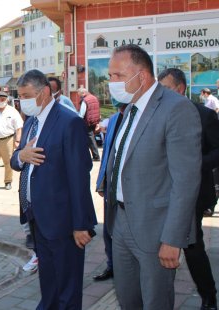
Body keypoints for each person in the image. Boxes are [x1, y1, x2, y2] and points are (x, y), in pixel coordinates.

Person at [105, 44, 201, 310]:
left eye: (118, 76)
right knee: (128, 299)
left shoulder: (176, 109)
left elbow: (186, 182)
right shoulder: (129, 109)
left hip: (156, 228)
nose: (111, 82)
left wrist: (173, 239)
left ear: (142, 76)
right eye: (110, 76)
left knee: (156, 301)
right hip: (121, 222)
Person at [11, 70, 97, 309]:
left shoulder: (68, 122)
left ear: (44, 92)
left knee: (67, 287)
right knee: (48, 282)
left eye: (26, 95)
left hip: (63, 221)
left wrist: (81, 224)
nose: (22, 102)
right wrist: (22, 156)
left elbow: (79, 176)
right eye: (20, 96)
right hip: (37, 217)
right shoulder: (30, 122)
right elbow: (15, 159)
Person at [158, 68, 219, 310]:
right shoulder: (157, 114)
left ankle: (209, 296)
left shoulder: (204, 115)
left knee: (193, 247)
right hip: (161, 193)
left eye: (164, 88)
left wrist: (192, 165)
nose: (160, 94)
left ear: (180, 88)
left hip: (193, 193)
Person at [93, 98, 127, 282]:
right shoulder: (114, 119)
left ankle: (126, 269)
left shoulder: (139, 118)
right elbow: (107, 152)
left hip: (130, 189)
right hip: (111, 186)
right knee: (108, 229)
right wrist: (101, 181)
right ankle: (112, 265)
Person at [77, 87, 102, 161]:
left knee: (90, 140)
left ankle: (96, 156)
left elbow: (81, 114)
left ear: (83, 93)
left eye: (80, 95)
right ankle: (89, 155)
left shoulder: (85, 100)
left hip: (87, 122)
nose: (80, 97)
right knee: (89, 139)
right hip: (94, 121)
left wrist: (78, 122)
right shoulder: (94, 98)